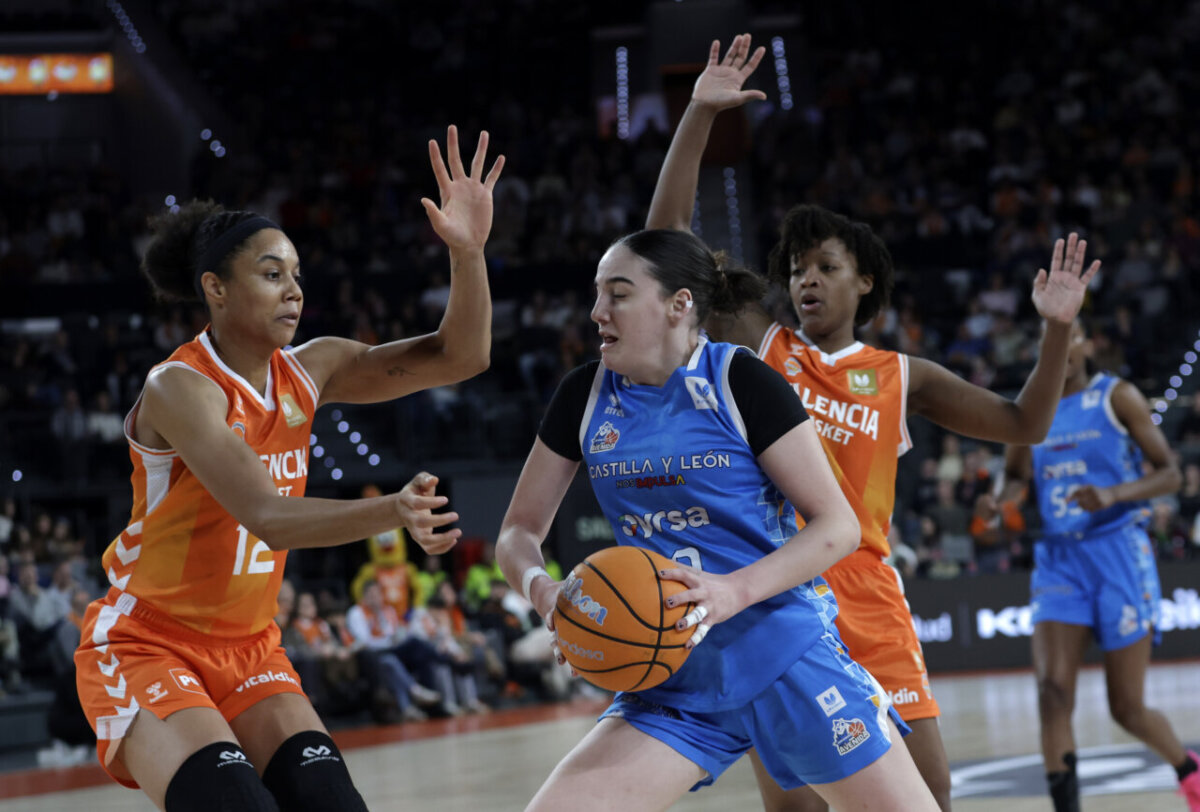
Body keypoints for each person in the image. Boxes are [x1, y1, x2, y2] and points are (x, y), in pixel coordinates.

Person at [644, 35, 1098, 811]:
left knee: (930, 792)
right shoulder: (763, 345)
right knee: (798, 807)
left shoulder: (899, 376)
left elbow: (1025, 423)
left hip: (867, 595)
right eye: (795, 268)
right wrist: (697, 115)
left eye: (824, 265)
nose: (805, 279)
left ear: (866, 280)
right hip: (778, 593)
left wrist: (1056, 330)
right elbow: (665, 252)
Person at [74, 125, 503, 812]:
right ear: (215, 288)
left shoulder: (315, 367)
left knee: (333, 802)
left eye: (296, 275)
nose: (294, 291)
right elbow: (267, 517)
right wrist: (391, 509)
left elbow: (461, 357)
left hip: (252, 648)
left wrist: (468, 254)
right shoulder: (179, 387)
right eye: (272, 275)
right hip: (146, 643)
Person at [497, 228, 939, 811]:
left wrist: (733, 591)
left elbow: (838, 527)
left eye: (618, 294)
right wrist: (544, 591)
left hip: (783, 654)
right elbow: (517, 533)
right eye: (597, 294)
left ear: (679, 304)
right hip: (670, 675)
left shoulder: (741, 382)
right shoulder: (584, 396)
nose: (596, 311)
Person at [979, 320, 1200, 812]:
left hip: (1118, 552)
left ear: (1087, 344)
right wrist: (1000, 502)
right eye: (1048, 337)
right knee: (1051, 693)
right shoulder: (1030, 408)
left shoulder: (1116, 397)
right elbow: (1015, 478)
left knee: (1128, 708)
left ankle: (1189, 770)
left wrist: (1114, 494)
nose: (1061, 346)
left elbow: (1170, 474)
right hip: (1060, 559)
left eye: (1070, 335)